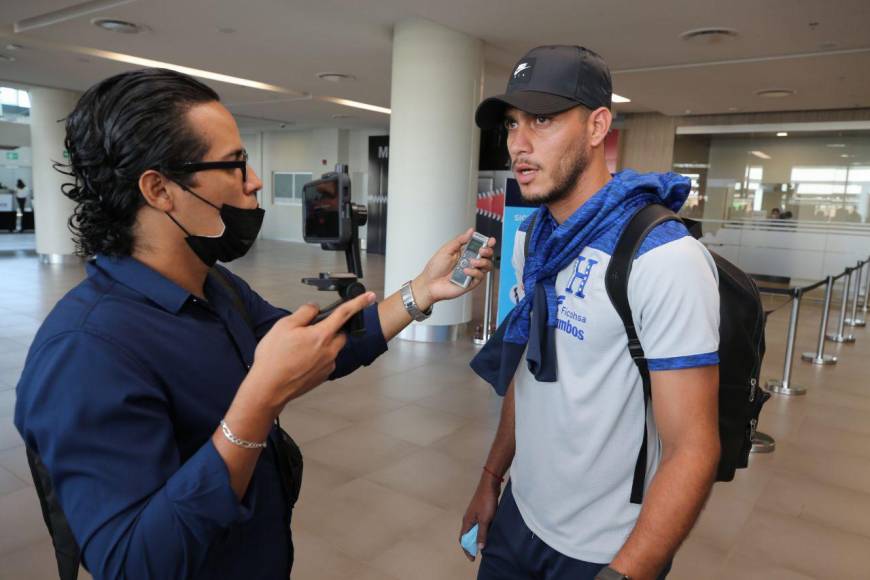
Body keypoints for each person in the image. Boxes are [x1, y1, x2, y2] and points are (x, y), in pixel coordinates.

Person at [14, 68, 494, 580]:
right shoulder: (87, 350)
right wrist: (258, 403)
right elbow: (134, 562)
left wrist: (419, 291)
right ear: (160, 189)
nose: (255, 181)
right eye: (235, 165)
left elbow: (313, 346)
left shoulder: (216, 287)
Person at [462, 46, 720, 580]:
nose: (518, 145)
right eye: (512, 124)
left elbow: (693, 449)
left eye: (543, 120)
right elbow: (530, 370)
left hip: (606, 548)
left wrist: (627, 572)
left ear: (598, 125)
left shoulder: (663, 257)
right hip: (519, 518)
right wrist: (492, 476)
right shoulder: (534, 238)